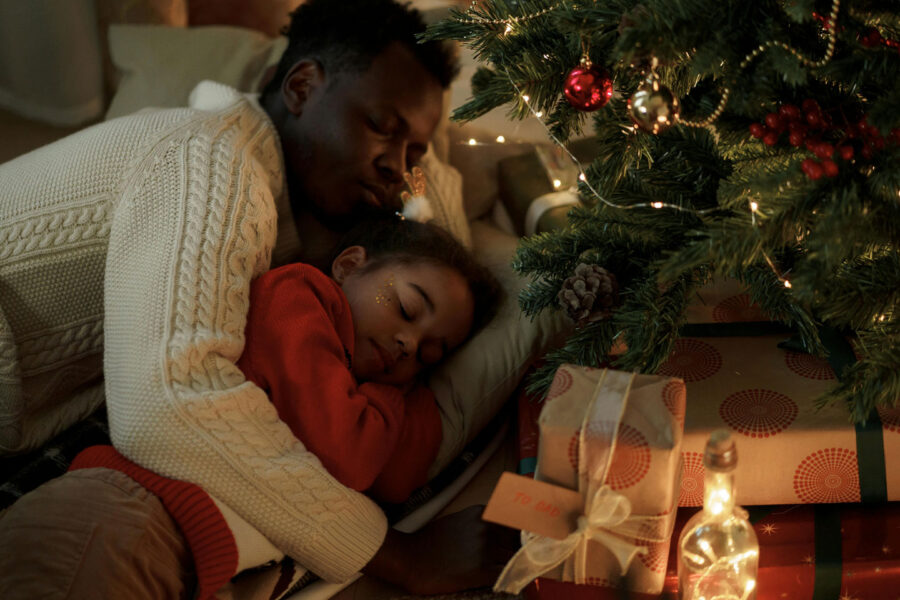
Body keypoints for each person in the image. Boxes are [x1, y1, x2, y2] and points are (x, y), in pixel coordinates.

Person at [0, 0, 516, 596]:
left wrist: (415, 163)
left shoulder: (316, 219)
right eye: (381, 125)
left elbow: (436, 250)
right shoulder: (213, 159)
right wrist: (399, 555)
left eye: (415, 154)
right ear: (301, 87)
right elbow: (168, 405)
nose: (397, 169)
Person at [236, 217, 502, 504]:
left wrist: (405, 391)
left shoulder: (377, 386)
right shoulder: (297, 294)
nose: (410, 345)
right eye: (406, 308)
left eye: (429, 354)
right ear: (349, 266)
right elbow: (348, 456)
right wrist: (392, 396)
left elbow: (396, 484)